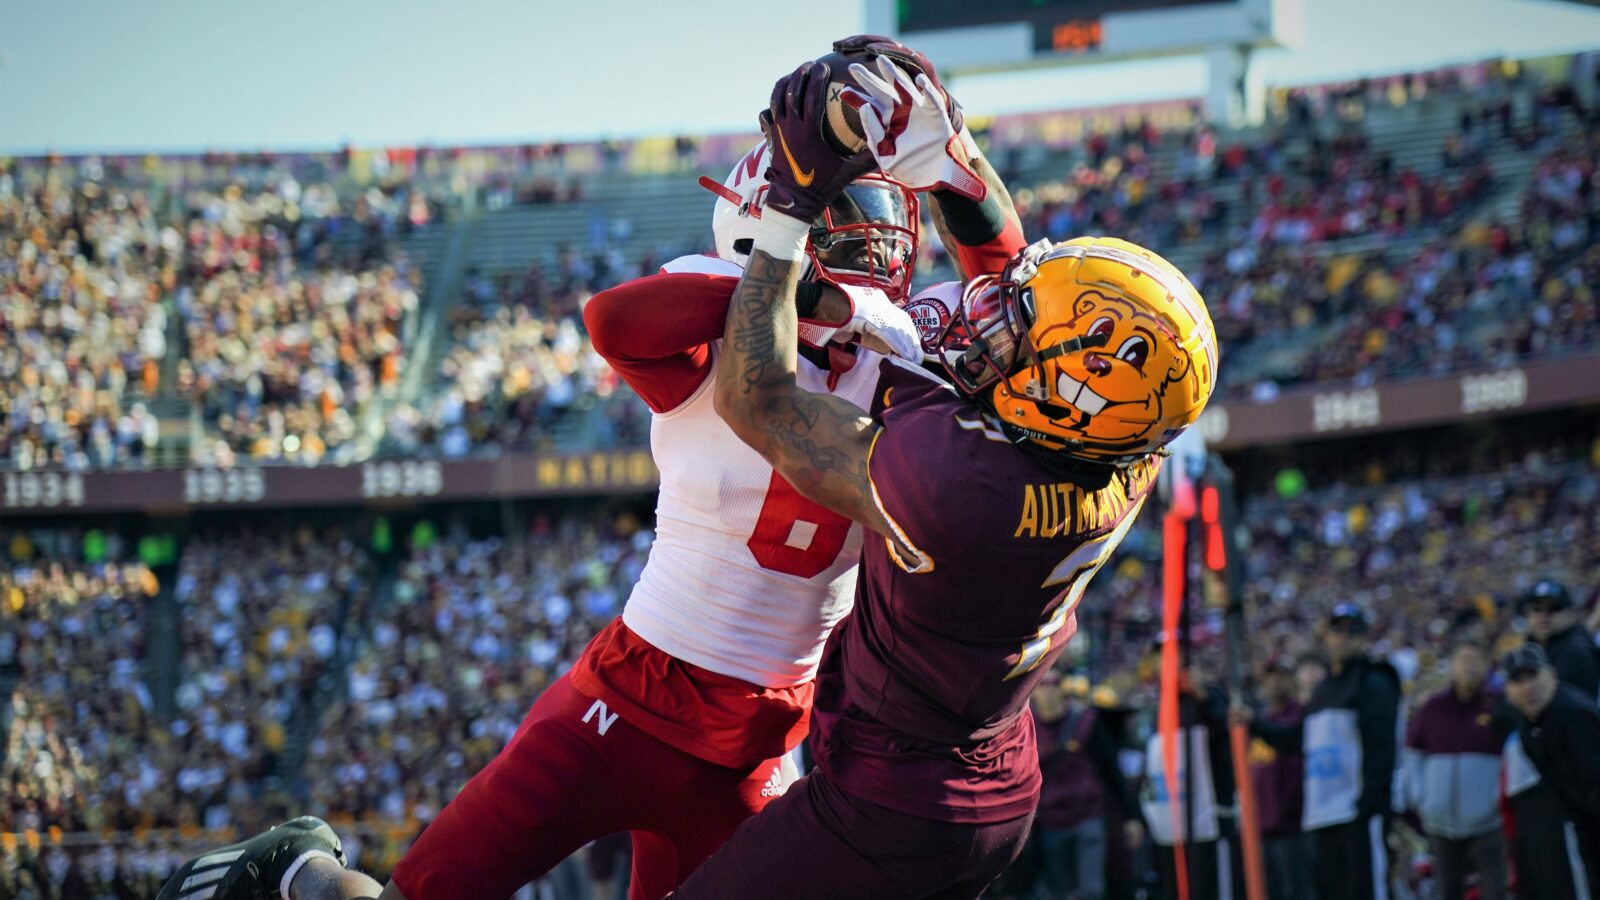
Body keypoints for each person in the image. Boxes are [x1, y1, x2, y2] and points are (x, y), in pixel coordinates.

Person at [157, 36, 1030, 900]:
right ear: (769, 215)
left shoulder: (908, 343)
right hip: (624, 702)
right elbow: (613, 322)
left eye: (871, 201)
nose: (868, 228)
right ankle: (299, 875)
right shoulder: (720, 314)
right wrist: (797, 289)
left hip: (761, 734)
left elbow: (1017, 294)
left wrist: (958, 163)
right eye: (833, 206)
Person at [670, 57, 1217, 898]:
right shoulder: (1127, 447)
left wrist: (786, 219)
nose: (993, 308)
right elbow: (1009, 271)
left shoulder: (957, 482)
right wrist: (948, 155)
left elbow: (761, 402)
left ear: (1059, 388)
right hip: (992, 778)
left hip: (891, 803)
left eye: (1023, 326)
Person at [1239, 604, 1403, 900]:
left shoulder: (1372, 683)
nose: (1344, 637)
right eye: (1337, 629)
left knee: (1366, 890)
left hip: (1357, 814)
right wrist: (1254, 724)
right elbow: (1297, 739)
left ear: (1364, 637)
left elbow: (1382, 753)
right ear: (1325, 636)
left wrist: (1368, 807)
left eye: (1353, 630)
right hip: (1323, 815)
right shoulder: (1322, 692)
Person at [1403, 639, 1508, 900]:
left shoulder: (1498, 707)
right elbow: (1412, 752)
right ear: (1452, 666)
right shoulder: (1433, 708)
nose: (1469, 667)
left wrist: (1497, 800)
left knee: (1495, 889)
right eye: (1464, 660)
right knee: (1447, 890)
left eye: (1476, 660)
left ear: (1486, 666)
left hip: (1488, 822)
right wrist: (1421, 798)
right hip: (1440, 822)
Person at [1029, 675, 1144, 900]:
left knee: (1091, 891)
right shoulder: (1027, 727)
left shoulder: (1084, 721)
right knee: (1057, 891)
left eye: (1054, 685)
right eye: (1043, 685)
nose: (1049, 691)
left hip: (1088, 816)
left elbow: (1111, 771)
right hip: (1050, 821)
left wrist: (1131, 816)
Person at [1501, 643, 1600, 897]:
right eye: (1518, 680)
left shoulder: (1570, 713)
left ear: (1551, 675)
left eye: (1533, 676)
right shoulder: (1529, 726)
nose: (1527, 687)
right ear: (1508, 690)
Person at [1250, 659, 1315, 900]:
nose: (1275, 683)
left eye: (1280, 676)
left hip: (1293, 825)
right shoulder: (1261, 720)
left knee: (1297, 891)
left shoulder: (1301, 715)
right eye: (1269, 677)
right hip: (1261, 828)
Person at [1521, 579, 1600, 703]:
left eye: (1554, 608)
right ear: (1527, 614)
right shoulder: (1532, 645)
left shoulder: (1577, 653)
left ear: (1571, 614)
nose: (1544, 615)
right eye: (1537, 609)